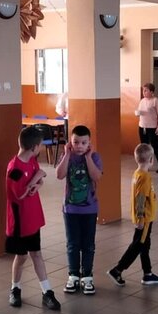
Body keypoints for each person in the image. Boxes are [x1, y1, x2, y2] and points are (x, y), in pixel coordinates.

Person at [7, 127, 62, 310]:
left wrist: (37, 183)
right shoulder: (14, 168)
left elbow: (39, 180)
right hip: (19, 220)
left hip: (32, 218)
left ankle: (47, 292)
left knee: (37, 254)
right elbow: (19, 194)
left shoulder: (32, 160)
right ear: (35, 147)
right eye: (40, 146)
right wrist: (34, 180)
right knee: (21, 256)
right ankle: (15, 288)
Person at [107, 143, 158, 287]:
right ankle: (117, 270)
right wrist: (140, 218)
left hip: (144, 218)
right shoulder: (145, 177)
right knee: (138, 245)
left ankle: (147, 273)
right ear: (151, 160)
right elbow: (140, 198)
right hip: (144, 219)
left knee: (144, 245)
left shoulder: (137, 173)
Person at [57, 124, 103, 295]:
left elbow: (96, 176)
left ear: (89, 143)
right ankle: (73, 275)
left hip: (89, 210)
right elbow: (59, 175)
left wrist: (88, 158)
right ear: (70, 142)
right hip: (70, 210)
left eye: (84, 143)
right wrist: (66, 155)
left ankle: (87, 276)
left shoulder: (95, 157)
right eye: (76, 142)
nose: (79, 146)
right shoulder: (67, 157)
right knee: (72, 243)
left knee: (88, 244)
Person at [136, 82, 158, 173]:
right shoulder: (142, 101)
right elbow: (140, 111)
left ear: (151, 92)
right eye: (143, 90)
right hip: (142, 126)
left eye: (146, 90)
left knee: (155, 146)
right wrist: (138, 113)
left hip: (152, 127)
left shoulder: (156, 101)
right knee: (144, 147)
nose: (144, 92)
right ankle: (145, 165)